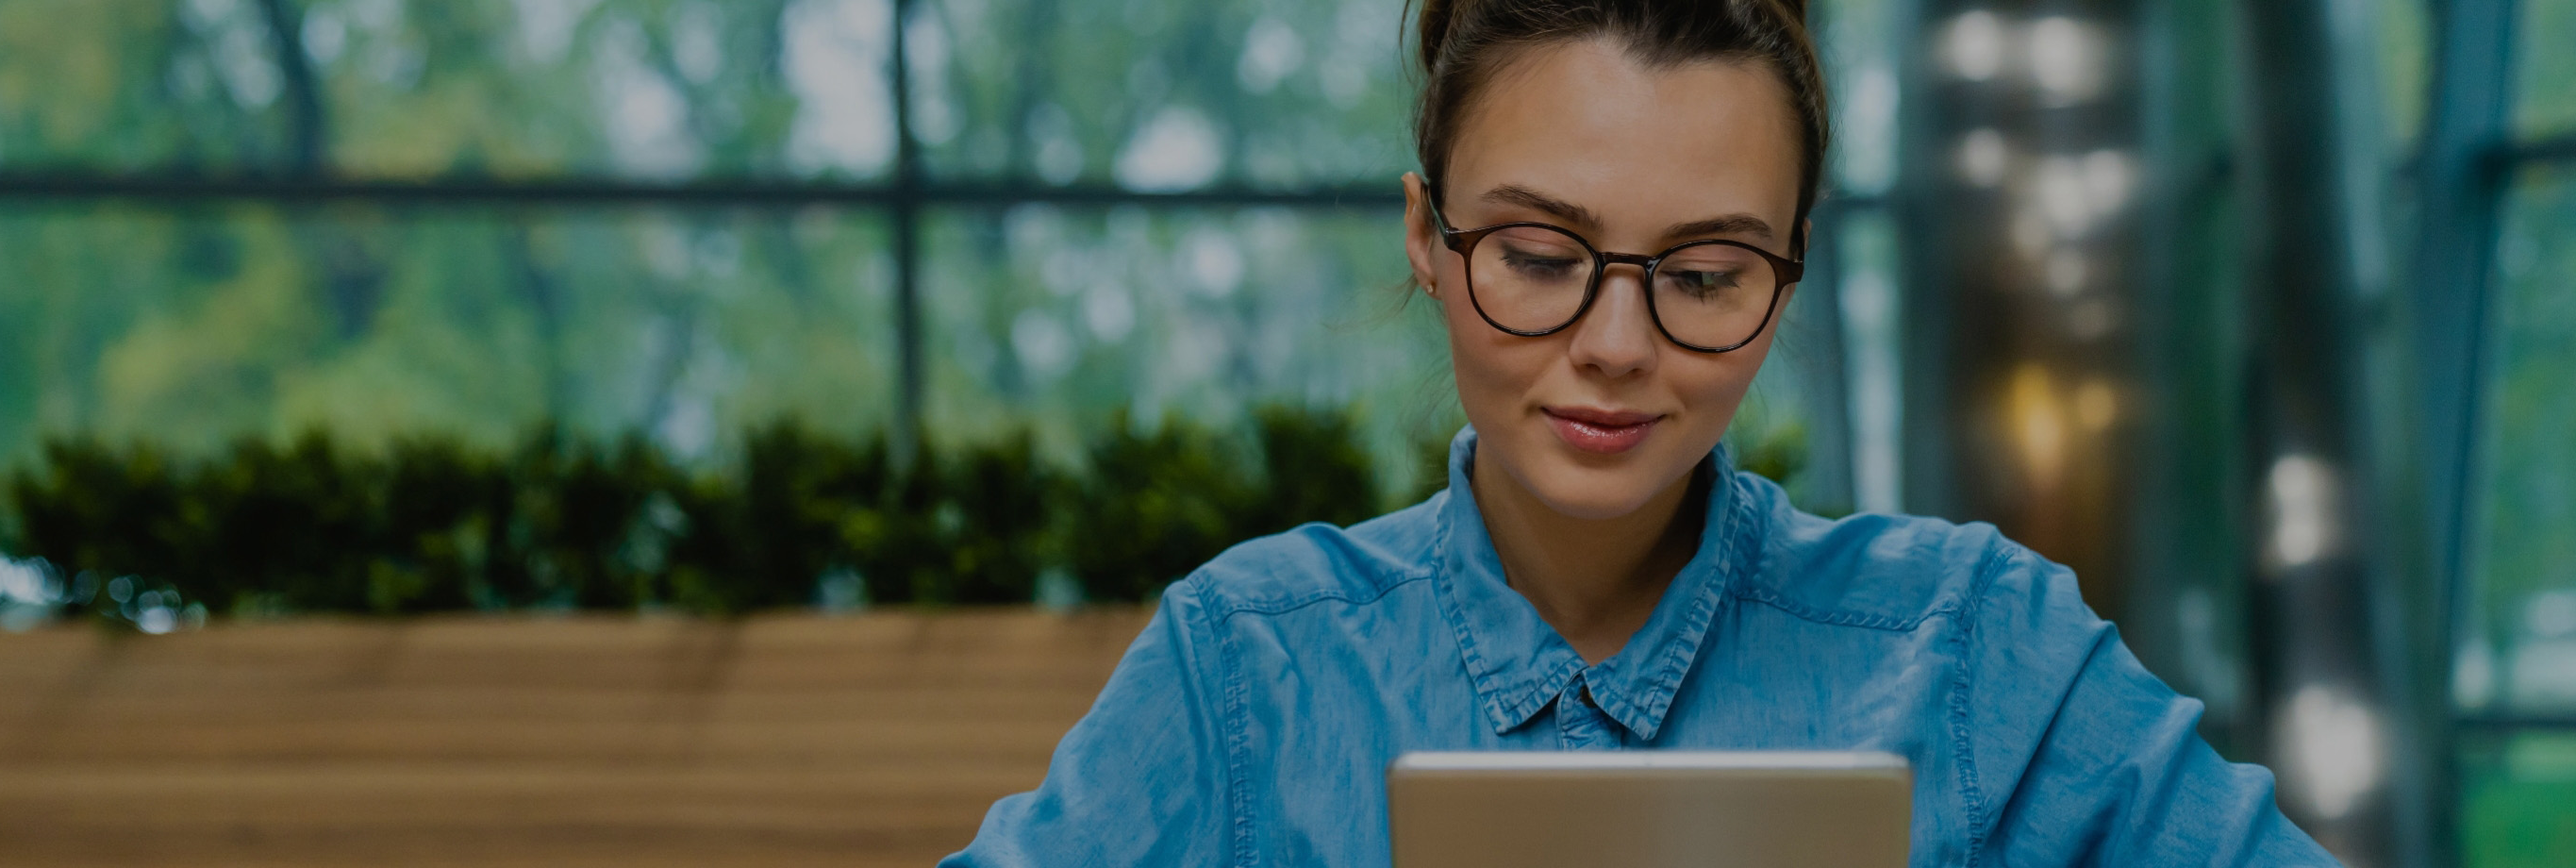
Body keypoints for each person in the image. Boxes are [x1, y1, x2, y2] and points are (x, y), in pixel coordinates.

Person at [944, 0, 2337, 864]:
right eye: (1543, 256)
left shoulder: (1978, 648)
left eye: (1706, 276)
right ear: (1429, 235)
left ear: (1788, 274)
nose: (1616, 347)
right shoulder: (1245, 665)